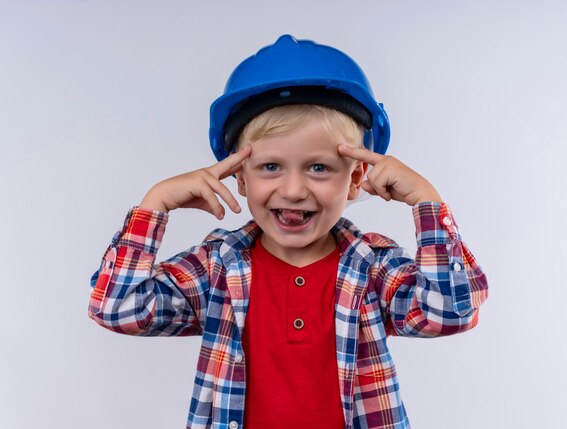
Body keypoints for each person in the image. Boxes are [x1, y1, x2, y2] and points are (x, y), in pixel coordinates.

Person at [88, 34, 489, 429]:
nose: (294, 190)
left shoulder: (372, 267)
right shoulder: (216, 268)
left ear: (355, 179)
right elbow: (117, 308)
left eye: (319, 168)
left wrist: (427, 204)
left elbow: (450, 313)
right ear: (239, 178)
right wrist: (154, 205)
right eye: (270, 167)